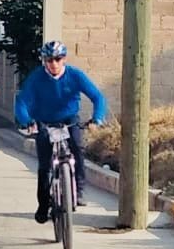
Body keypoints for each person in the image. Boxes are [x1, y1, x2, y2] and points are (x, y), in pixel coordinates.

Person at [14, 40, 107, 224]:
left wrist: (97, 118)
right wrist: (28, 122)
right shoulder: (37, 77)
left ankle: (78, 190)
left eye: (57, 59)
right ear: (44, 61)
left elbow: (97, 97)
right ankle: (43, 204)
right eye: (49, 60)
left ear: (64, 59)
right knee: (44, 166)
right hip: (44, 122)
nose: (53, 64)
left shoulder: (75, 75)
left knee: (78, 149)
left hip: (69, 120)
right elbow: (22, 102)